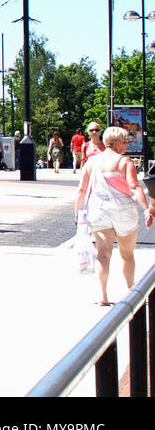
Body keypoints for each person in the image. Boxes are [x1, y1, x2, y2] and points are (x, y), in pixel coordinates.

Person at [76, 126, 153, 305]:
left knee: (103, 255)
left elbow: (81, 190)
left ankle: (103, 295)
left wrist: (78, 215)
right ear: (117, 144)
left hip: (100, 210)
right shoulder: (125, 162)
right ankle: (130, 292)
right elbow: (134, 187)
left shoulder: (91, 162)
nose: (126, 145)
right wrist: (146, 208)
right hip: (123, 211)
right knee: (127, 254)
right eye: (125, 142)